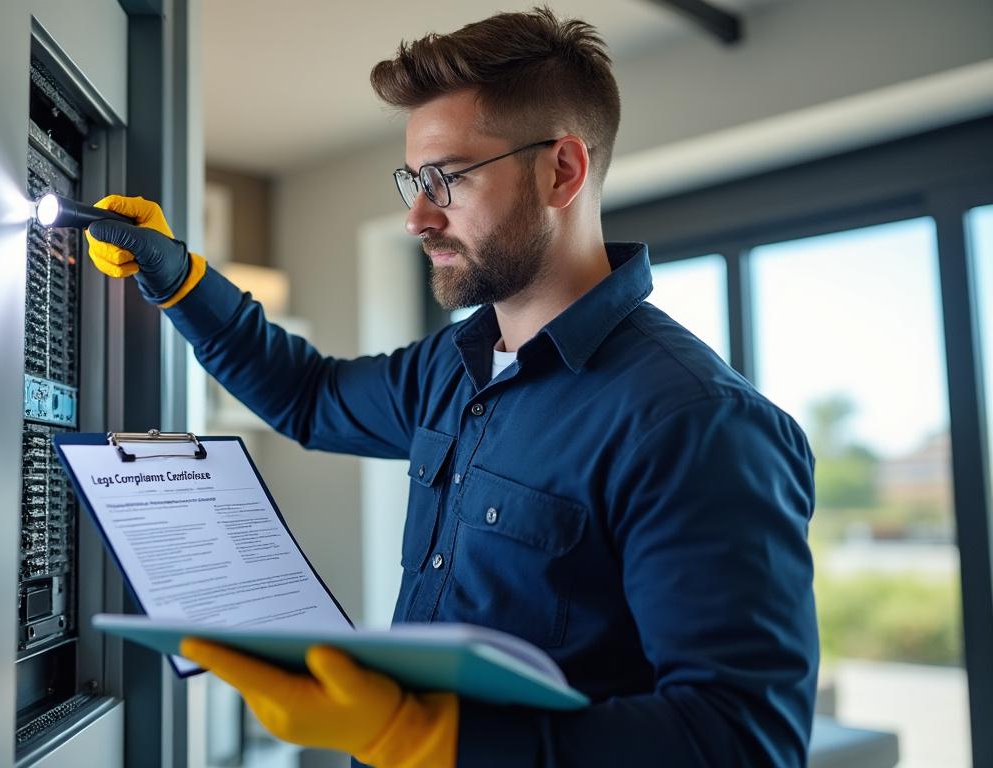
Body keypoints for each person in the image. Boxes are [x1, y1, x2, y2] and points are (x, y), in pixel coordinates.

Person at [84, 6, 818, 767]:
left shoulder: (697, 422)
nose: (417, 217)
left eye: (447, 179)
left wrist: (426, 738)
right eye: (412, 179)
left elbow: (741, 741)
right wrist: (180, 279)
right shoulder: (452, 367)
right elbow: (307, 397)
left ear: (562, 170)